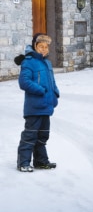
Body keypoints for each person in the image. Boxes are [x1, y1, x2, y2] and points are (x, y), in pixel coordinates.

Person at [16, 33, 60, 172]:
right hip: (34, 107)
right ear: (35, 46)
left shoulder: (47, 62)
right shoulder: (29, 61)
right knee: (30, 135)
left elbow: (52, 82)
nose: (43, 49)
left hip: (46, 106)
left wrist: (55, 93)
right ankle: (23, 163)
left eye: (46, 47)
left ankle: (41, 161)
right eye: (41, 46)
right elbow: (24, 82)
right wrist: (41, 90)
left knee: (43, 136)